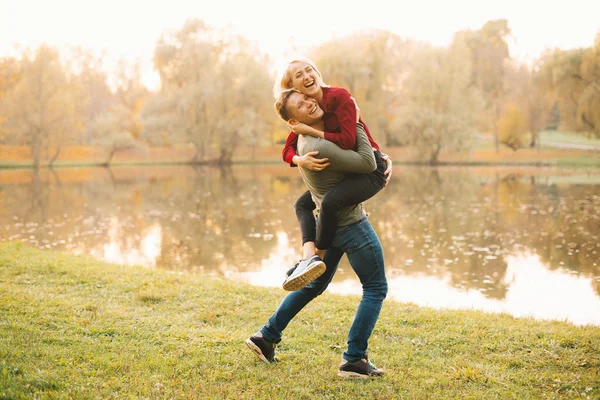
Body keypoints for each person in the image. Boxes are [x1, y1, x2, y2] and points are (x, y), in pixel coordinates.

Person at [246, 89, 388, 378]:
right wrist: (357, 121)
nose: (310, 102)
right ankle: (354, 359)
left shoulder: (306, 140)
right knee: (375, 288)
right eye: (300, 104)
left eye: (308, 98)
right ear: (294, 120)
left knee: (314, 286)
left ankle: (267, 336)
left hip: (330, 221)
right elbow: (367, 163)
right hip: (351, 224)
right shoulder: (318, 146)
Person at [277, 57, 392, 292]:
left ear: (316, 72)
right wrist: (299, 159)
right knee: (302, 203)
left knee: (329, 202)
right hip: (353, 167)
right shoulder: (307, 108)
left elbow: (350, 140)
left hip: (369, 165)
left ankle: (314, 257)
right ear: (294, 88)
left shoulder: (337, 98)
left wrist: (310, 131)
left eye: (309, 70)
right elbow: (287, 150)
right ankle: (307, 257)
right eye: (299, 75)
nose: (307, 76)